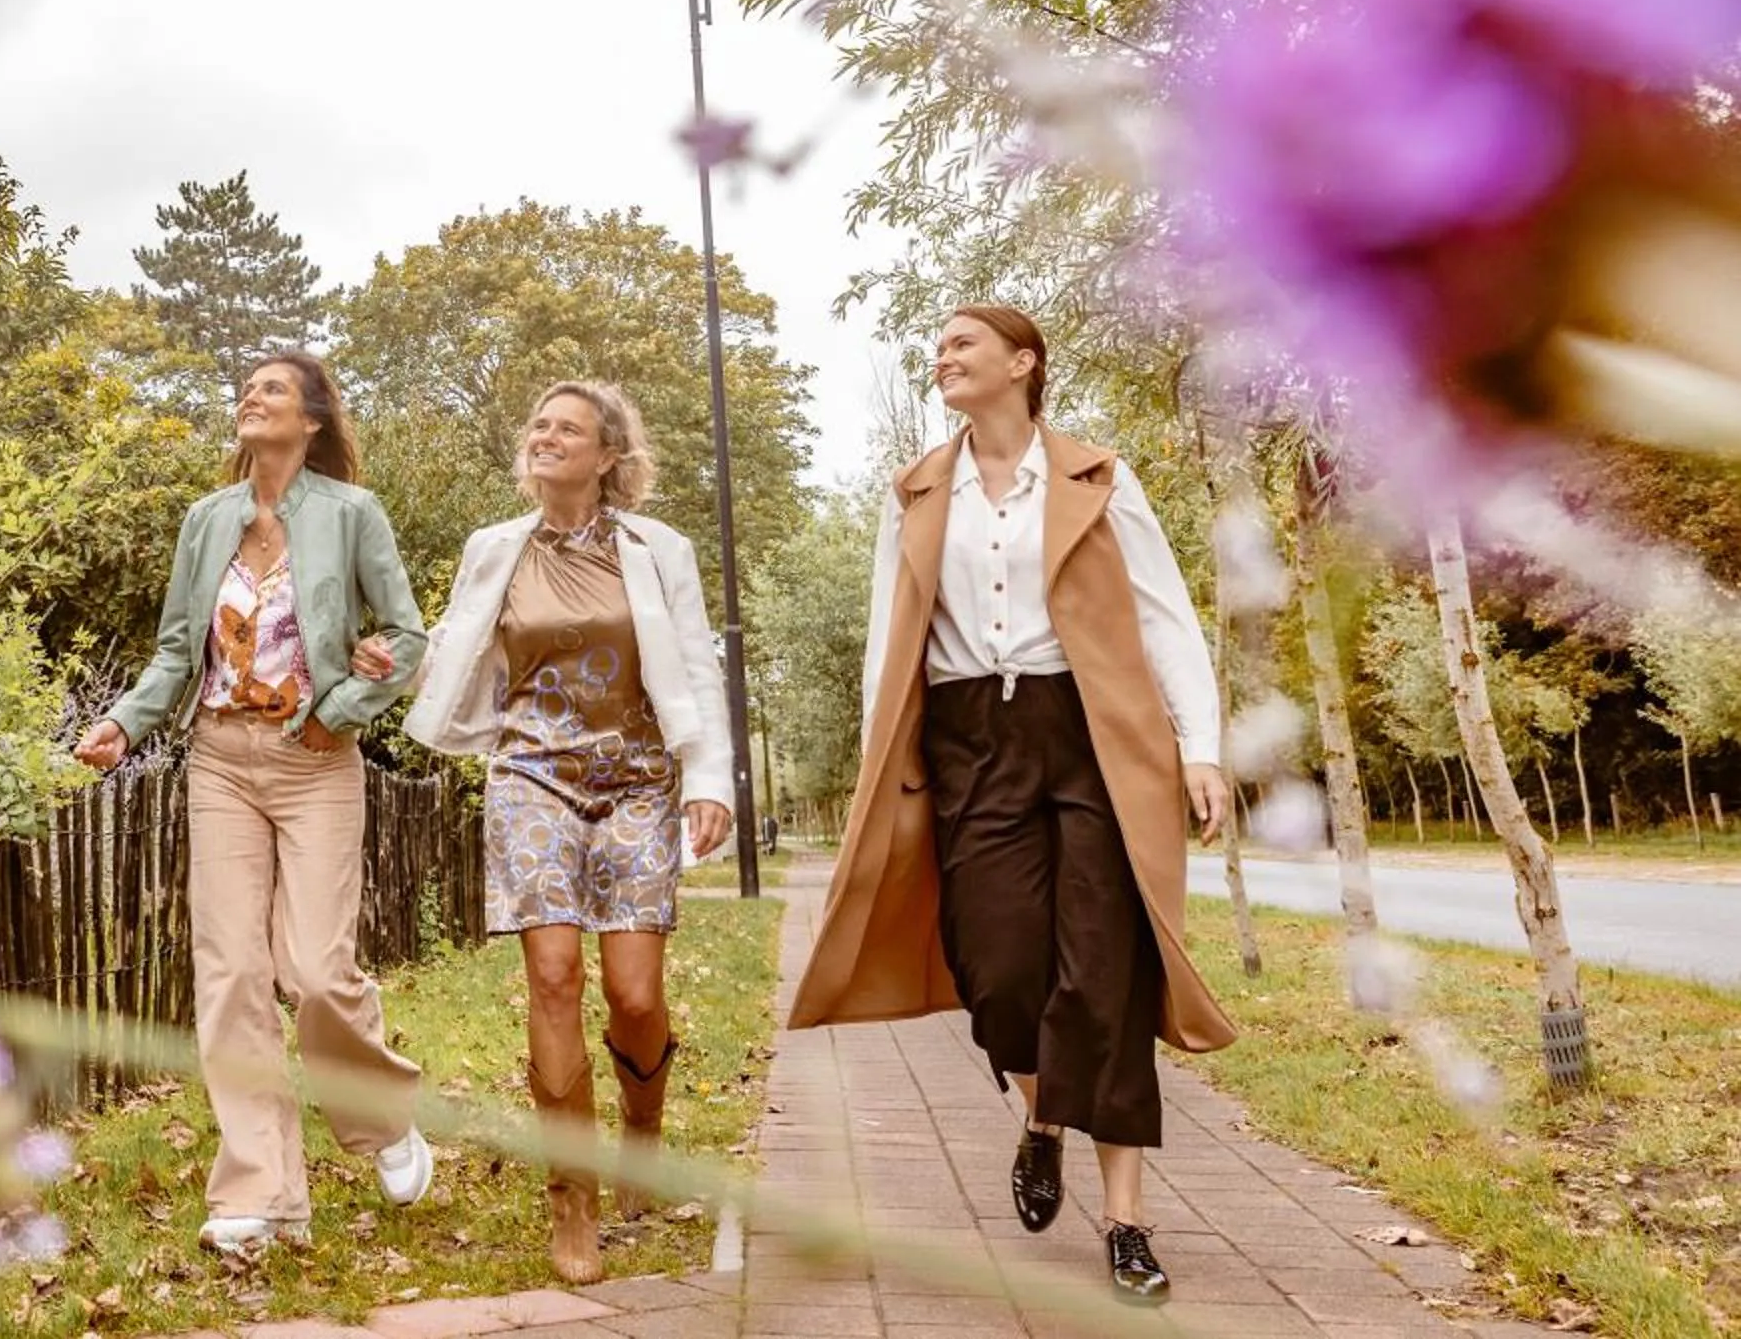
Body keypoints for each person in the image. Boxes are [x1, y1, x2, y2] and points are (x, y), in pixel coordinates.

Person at [785, 305, 1235, 1307]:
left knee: (1104, 977)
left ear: (1022, 363)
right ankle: (1041, 1117)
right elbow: (885, 639)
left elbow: (1167, 617)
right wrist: (881, 759)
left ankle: (1127, 1222)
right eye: (937, 347)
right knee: (997, 972)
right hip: (965, 742)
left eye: (962, 344)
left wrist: (1200, 748)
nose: (942, 357)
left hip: (1088, 737)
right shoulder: (915, 490)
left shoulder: (1097, 478)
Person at [73, 351, 435, 1255]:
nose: (251, 397)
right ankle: (261, 1194)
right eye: (247, 388)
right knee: (230, 972)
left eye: (272, 389)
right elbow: (172, 651)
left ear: (311, 418)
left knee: (316, 971)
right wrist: (124, 722)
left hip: (316, 761)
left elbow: (406, 634)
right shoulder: (207, 522)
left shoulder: (352, 515)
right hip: (220, 760)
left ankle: (382, 1117)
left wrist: (342, 708)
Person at [397, 380, 736, 1286]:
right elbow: (453, 645)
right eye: (538, 425)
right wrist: (390, 661)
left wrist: (710, 781)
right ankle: (571, 1201)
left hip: (639, 780)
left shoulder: (658, 551)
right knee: (551, 975)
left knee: (632, 993)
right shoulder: (494, 549)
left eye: (567, 429)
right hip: (530, 774)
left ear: (608, 456)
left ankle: (643, 1129)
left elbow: (697, 664)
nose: (545, 437)